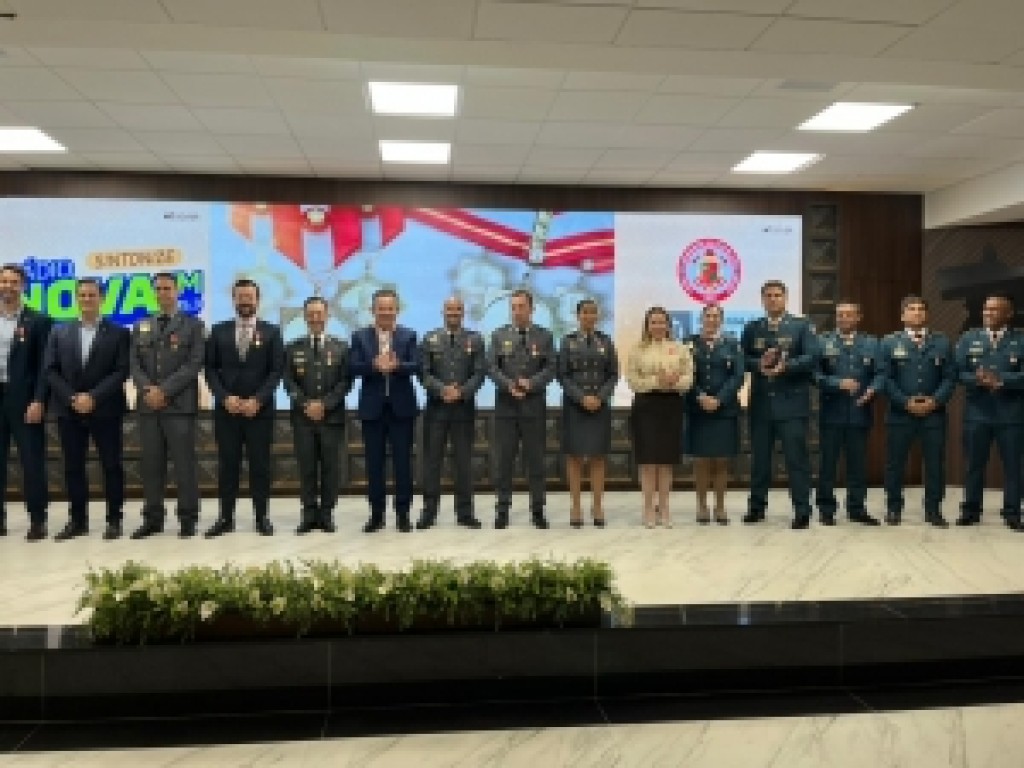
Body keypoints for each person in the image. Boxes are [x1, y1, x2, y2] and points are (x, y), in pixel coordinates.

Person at [44, 278, 130, 541]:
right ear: (76, 299)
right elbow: (50, 370)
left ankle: (114, 520)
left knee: (111, 465)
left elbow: (121, 370)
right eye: (82, 295)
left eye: (92, 295)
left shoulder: (119, 333)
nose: (87, 299)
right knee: (73, 467)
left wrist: (93, 397)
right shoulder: (59, 332)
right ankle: (78, 520)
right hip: (68, 409)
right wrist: (73, 398)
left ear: (101, 298)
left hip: (106, 409)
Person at [204, 278, 285, 537]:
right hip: (227, 411)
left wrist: (257, 400)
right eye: (241, 297)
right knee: (228, 466)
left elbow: (276, 371)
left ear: (257, 300)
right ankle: (225, 518)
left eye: (249, 297)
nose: (245, 301)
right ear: (234, 300)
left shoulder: (272, 332)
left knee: (260, 466)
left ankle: (262, 517)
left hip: (259, 412)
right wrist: (224, 397)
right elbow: (210, 369)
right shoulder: (218, 331)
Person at [129, 272, 206, 539]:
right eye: (158, 289)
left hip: (179, 406)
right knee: (151, 466)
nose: (163, 293)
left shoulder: (193, 325)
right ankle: (153, 518)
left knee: (184, 465)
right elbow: (134, 364)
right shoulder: (141, 326)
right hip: (149, 406)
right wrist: (148, 389)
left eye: (167, 288)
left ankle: (187, 518)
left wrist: (164, 390)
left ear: (177, 291)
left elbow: (194, 364)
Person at [740, 280, 817, 529]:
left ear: (785, 298)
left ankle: (802, 510)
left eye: (777, 295)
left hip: (792, 404)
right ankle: (756, 508)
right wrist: (758, 365)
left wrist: (787, 366)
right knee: (760, 461)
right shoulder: (753, 328)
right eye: (769, 295)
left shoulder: (801, 326)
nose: (773, 299)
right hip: (761, 405)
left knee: (797, 460)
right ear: (763, 299)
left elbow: (811, 357)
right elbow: (743, 359)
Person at [880, 295, 955, 527]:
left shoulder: (942, 342)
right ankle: (893, 508)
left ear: (927, 314)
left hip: (934, 415)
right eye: (911, 309)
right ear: (903, 315)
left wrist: (935, 401)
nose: (917, 312)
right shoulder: (889, 343)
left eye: (921, 309)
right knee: (895, 464)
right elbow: (885, 378)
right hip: (900, 414)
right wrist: (905, 402)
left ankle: (933, 510)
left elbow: (950, 377)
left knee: (934, 465)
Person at [349, 288, 419, 533]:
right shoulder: (360, 336)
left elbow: (417, 365)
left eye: (390, 308)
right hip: (372, 410)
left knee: (403, 464)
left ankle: (403, 514)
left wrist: (398, 365)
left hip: (402, 409)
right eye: (381, 308)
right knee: (374, 464)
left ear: (397, 310)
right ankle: (376, 514)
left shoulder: (409, 335)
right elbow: (352, 367)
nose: (386, 313)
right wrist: (373, 365)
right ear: (373, 310)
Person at [487, 289, 556, 529]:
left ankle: (538, 510)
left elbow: (551, 368)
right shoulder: (499, 335)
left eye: (521, 307)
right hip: (506, 406)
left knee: (535, 461)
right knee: (504, 461)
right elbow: (492, 368)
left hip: (533, 406)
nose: (517, 312)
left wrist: (531, 383)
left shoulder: (544, 336)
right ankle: (502, 510)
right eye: (513, 307)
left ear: (531, 308)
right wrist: (509, 385)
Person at [954, 293, 1024, 529]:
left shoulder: (1021, 339)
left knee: (1013, 466)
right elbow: (958, 372)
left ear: (1009, 314)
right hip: (977, 413)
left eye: (994, 309)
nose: (988, 313)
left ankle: (1012, 513)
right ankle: (971, 511)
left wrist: (1001, 380)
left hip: (1011, 415)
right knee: (974, 464)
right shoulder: (968, 338)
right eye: (986, 309)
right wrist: (977, 380)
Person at [283, 296, 351, 534]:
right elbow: (288, 382)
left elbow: (346, 382)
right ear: (304, 317)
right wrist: (306, 404)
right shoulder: (292, 348)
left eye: (319, 313)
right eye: (310, 314)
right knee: (307, 468)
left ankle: (327, 514)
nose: (315, 318)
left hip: (331, 419)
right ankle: (309, 514)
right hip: (303, 419)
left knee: (331, 469)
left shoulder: (341, 347)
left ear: (327, 315)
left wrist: (325, 404)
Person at [813, 301, 884, 526]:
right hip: (831, 412)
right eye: (840, 315)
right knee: (828, 464)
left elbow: (881, 373)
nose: (843, 318)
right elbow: (815, 375)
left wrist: (873, 390)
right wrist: (837, 383)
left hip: (859, 411)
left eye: (848, 315)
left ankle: (856, 508)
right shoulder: (823, 342)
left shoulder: (872, 343)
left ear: (858, 317)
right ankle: (826, 509)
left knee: (857, 465)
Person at [417, 296, 485, 530]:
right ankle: (429, 512)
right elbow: (423, 373)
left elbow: (479, 373)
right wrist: (442, 390)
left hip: (463, 409)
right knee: (432, 462)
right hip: (436, 409)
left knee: (463, 463)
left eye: (457, 309)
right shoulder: (430, 339)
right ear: (443, 312)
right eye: (449, 309)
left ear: (463, 313)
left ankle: (465, 513)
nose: (453, 313)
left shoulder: (475, 339)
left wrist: (462, 391)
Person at [626, 305, 693, 528]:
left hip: (671, 405)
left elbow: (688, 378)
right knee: (647, 461)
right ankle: (647, 508)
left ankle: (664, 507)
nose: (658, 326)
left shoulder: (679, 348)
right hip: (645, 405)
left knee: (666, 461)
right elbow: (633, 381)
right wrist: (657, 381)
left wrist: (674, 382)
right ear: (647, 325)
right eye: (653, 322)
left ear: (668, 325)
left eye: (662, 322)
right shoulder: (637, 350)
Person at [0, 264, 51, 541]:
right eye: (3, 281)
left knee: (31, 461)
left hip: (24, 400)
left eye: (13, 281)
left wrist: (39, 399)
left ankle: (37, 520)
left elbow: (45, 366)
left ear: (22, 286)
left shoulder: (38, 321)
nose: (7, 286)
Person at [557, 298, 619, 528]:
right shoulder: (568, 342)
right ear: (578, 315)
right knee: (574, 457)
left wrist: (599, 397)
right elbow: (562, 374)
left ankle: (597, 505)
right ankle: (575, 506)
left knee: (598, 456)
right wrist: (581, 397)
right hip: (575, 406)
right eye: (585, 312)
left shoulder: (606, 341)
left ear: (597, 316)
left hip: (599, 406)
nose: (589, 316)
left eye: (593, 312)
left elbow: (613, 374)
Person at [684, 303, 743, 525]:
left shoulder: (733, 344)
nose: (711, 319)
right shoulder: (689, 343)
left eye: (716, 316)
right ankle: (701, 506)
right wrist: (701, 397)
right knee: (701, 461)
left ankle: (720, 506)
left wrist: (719, 399)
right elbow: (685, 374)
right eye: (708, 315)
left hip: (724, 410)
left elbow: (737, 376)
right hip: (698, 409)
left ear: (721, 320)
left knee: (721, 461)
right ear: (701, 319)